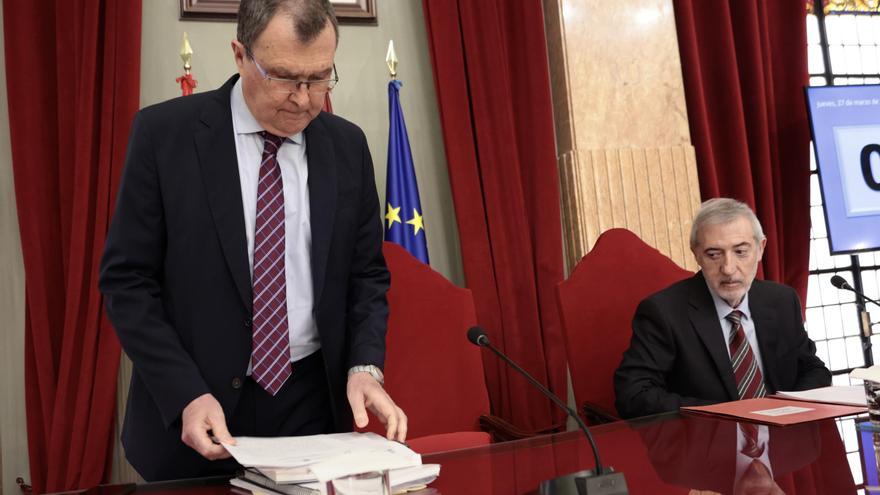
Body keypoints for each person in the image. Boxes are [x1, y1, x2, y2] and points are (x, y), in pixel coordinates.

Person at [99, 0, 406, 481]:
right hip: (197, 413)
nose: (304, 99)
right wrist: (185, 393)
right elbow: (127, 282)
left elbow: (366, 276)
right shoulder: (165, 136)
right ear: (240, 55)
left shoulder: (347, 146)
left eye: (320, 77)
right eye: (284, 77)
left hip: (311, 410)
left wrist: (365, 366)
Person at [614, 198, 831, 419]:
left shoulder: (782, 300)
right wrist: (726, 414)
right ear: (696, 254)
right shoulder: (664, 312)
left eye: (740, 252)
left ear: (760, 249)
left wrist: (784, 409)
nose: (728, 269)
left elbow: (814, 370)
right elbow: (633, 395)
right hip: (705, 444)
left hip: (783, 439)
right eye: (714, 254)